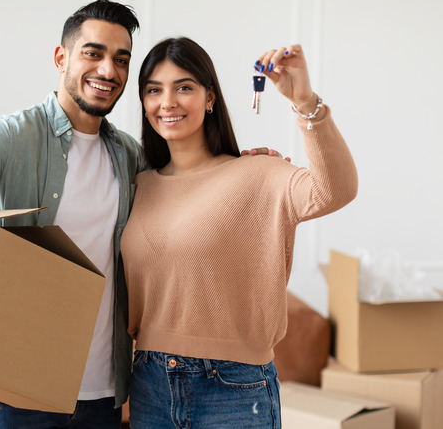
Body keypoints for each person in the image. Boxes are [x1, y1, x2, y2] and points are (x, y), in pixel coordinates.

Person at [0, 1, 282, 428]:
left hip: (103, 397)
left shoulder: (131, 157)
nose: (108, 71)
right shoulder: (13, 139)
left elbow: (188, 191)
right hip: (16, 391)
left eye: (120, 60)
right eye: (93, 53)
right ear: (62, 58)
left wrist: (238, 166)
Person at [120, 37, 358, 429]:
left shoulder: (257, 174)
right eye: (153, 90)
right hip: (149, 384)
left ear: (209, 97)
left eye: (184, 87)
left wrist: (305, 101)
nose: (168, 102)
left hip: (231, 390)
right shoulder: (137, 186)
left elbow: (337, 189)